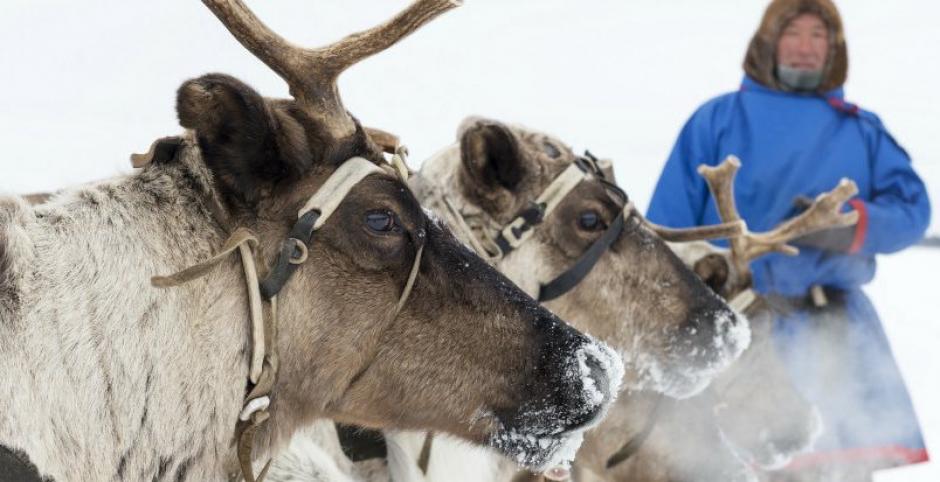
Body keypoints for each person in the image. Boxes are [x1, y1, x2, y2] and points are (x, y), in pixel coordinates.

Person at [646, 0, 931, 480]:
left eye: (818, 36)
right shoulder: (716, 121)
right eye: (792, 33)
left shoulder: (860, 130)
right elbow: (665, 234)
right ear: (767, 43)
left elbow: (913, 211)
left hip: (835, 329)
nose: (805, 47)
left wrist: (850, 227)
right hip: (736, 333)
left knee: (837, 469)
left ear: (834, 49)